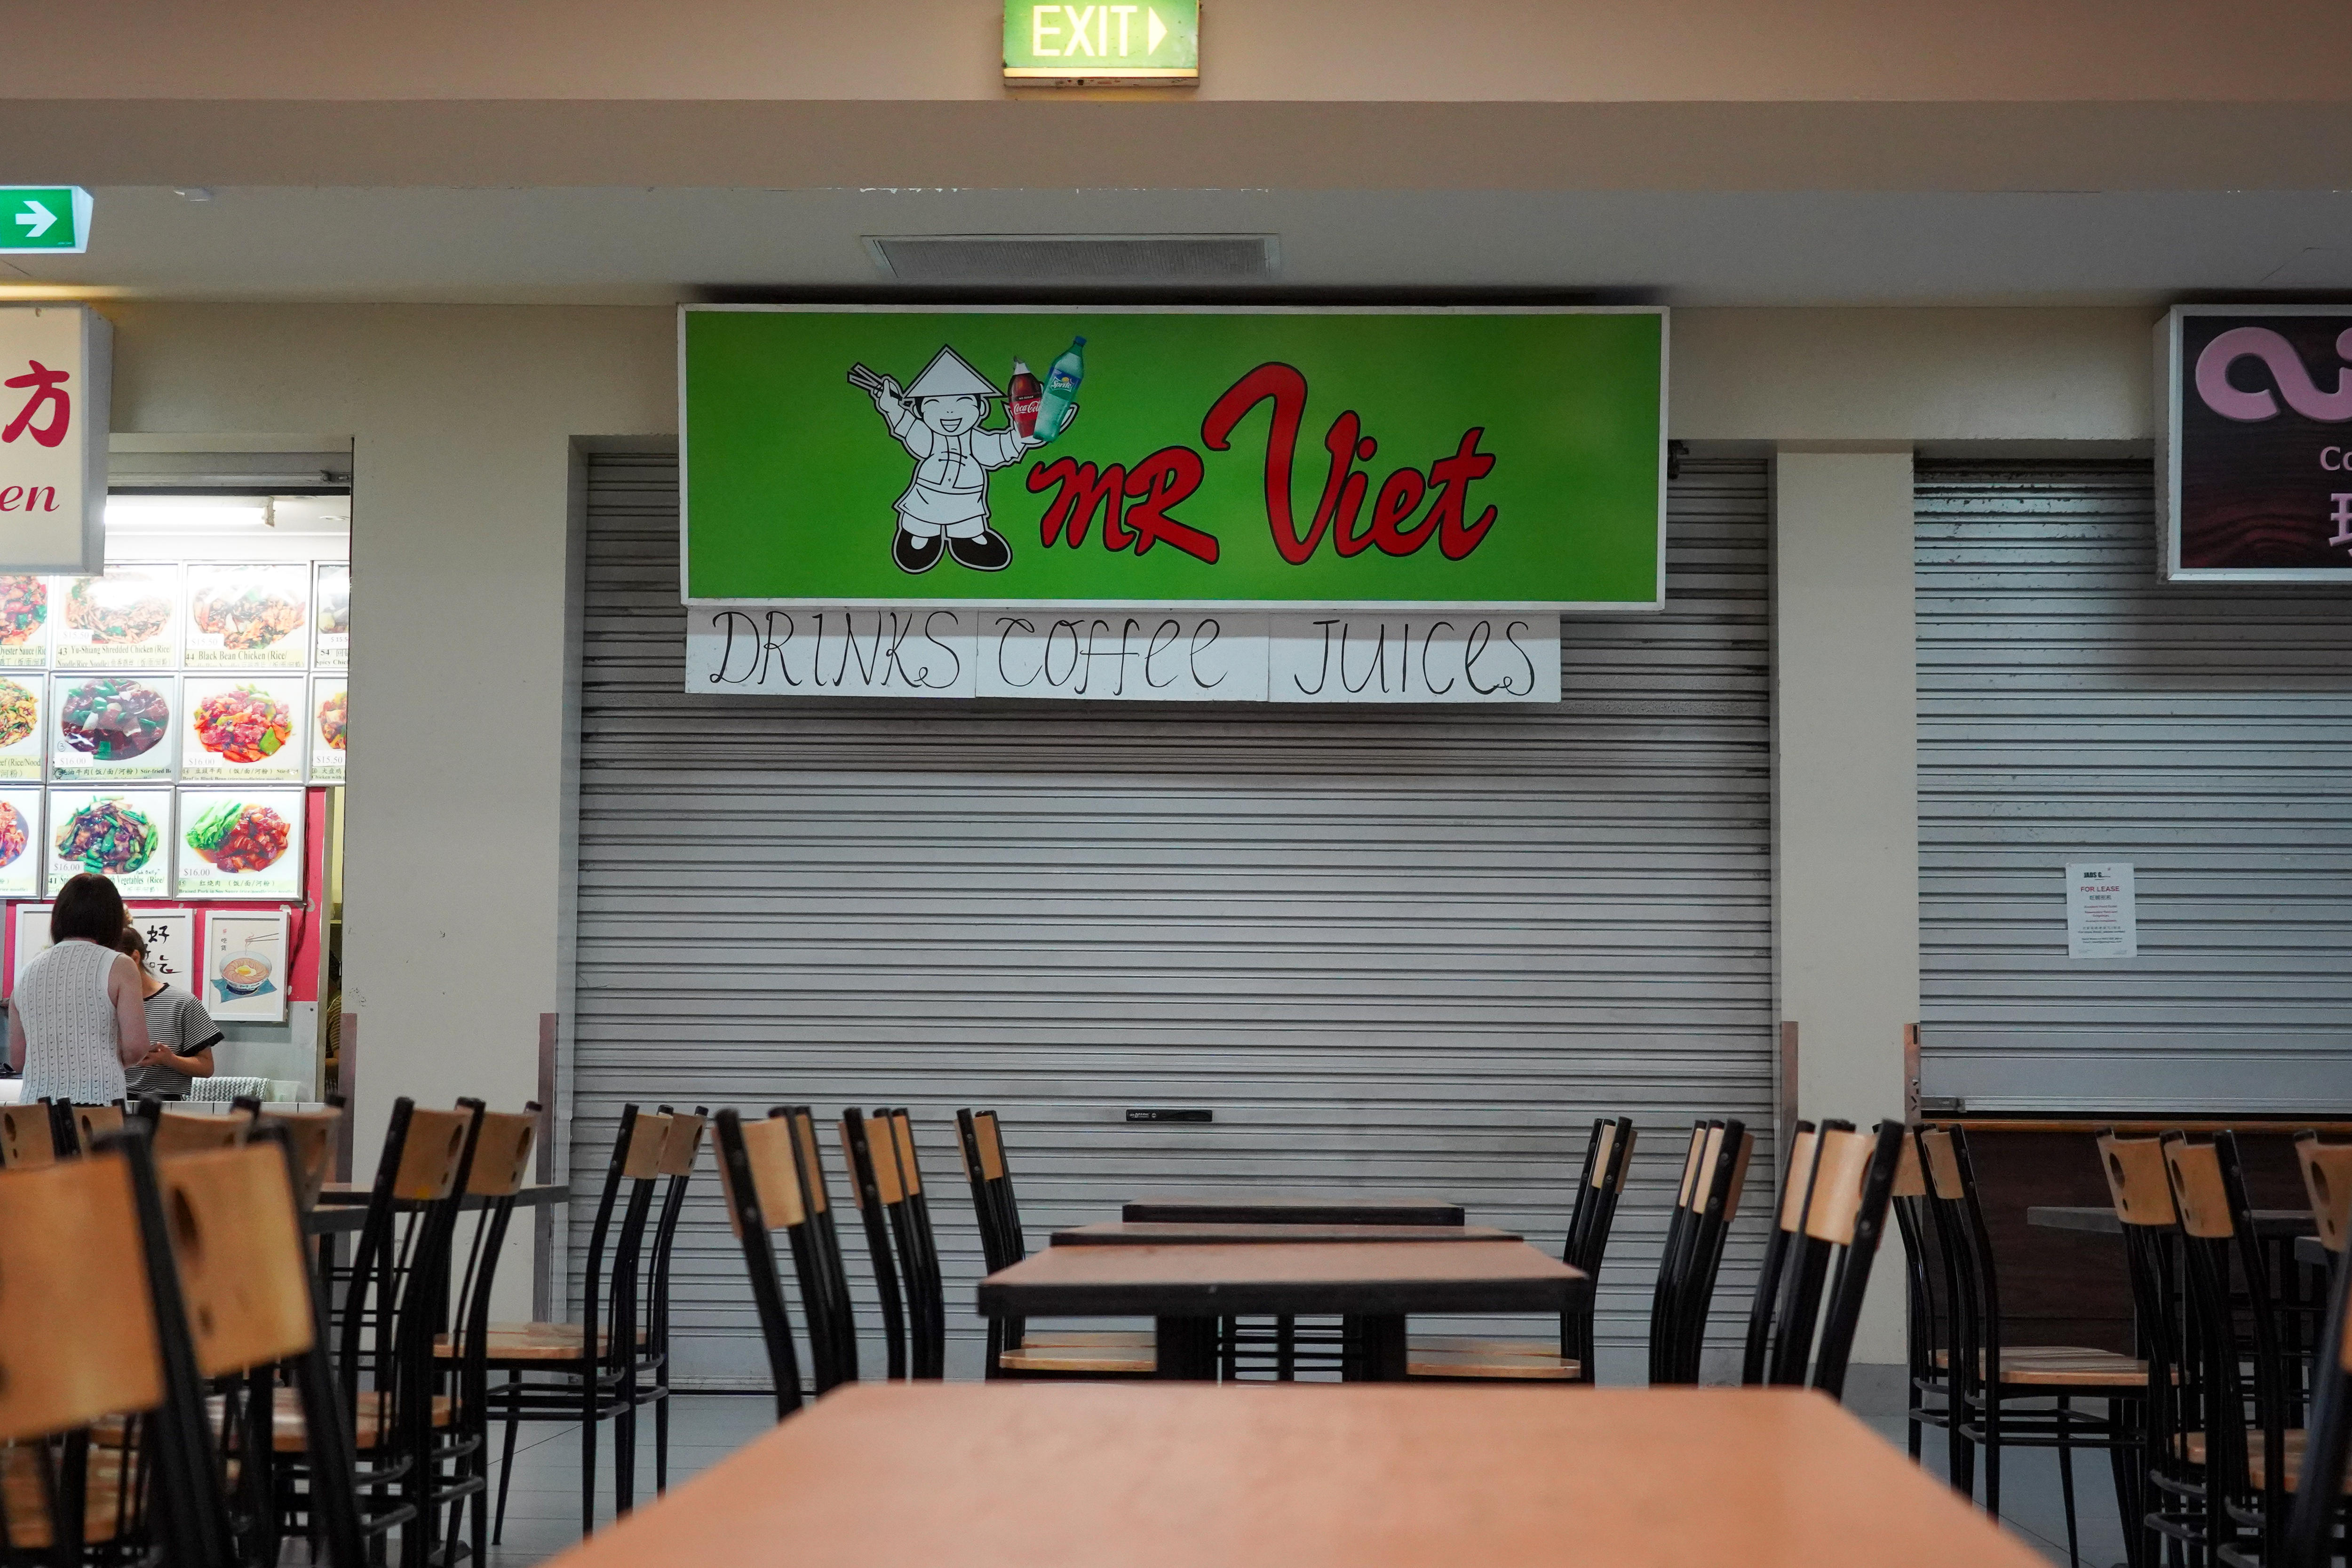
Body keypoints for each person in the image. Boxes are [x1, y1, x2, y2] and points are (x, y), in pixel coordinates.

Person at [6, 873, 151, 1104]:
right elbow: (136, 1048)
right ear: (113, 920)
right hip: (97, 1104)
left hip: (35, 1110)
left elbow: (19, 1061)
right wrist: (103, 1063)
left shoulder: (27, 972)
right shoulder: (119, 964)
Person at [116, 925, 222, 1101]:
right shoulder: (104, 1003)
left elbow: (206, 1067)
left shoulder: (182, 1003)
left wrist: (169, 1059)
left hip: (165, 1106)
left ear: (135, 958)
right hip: (110, 1103)